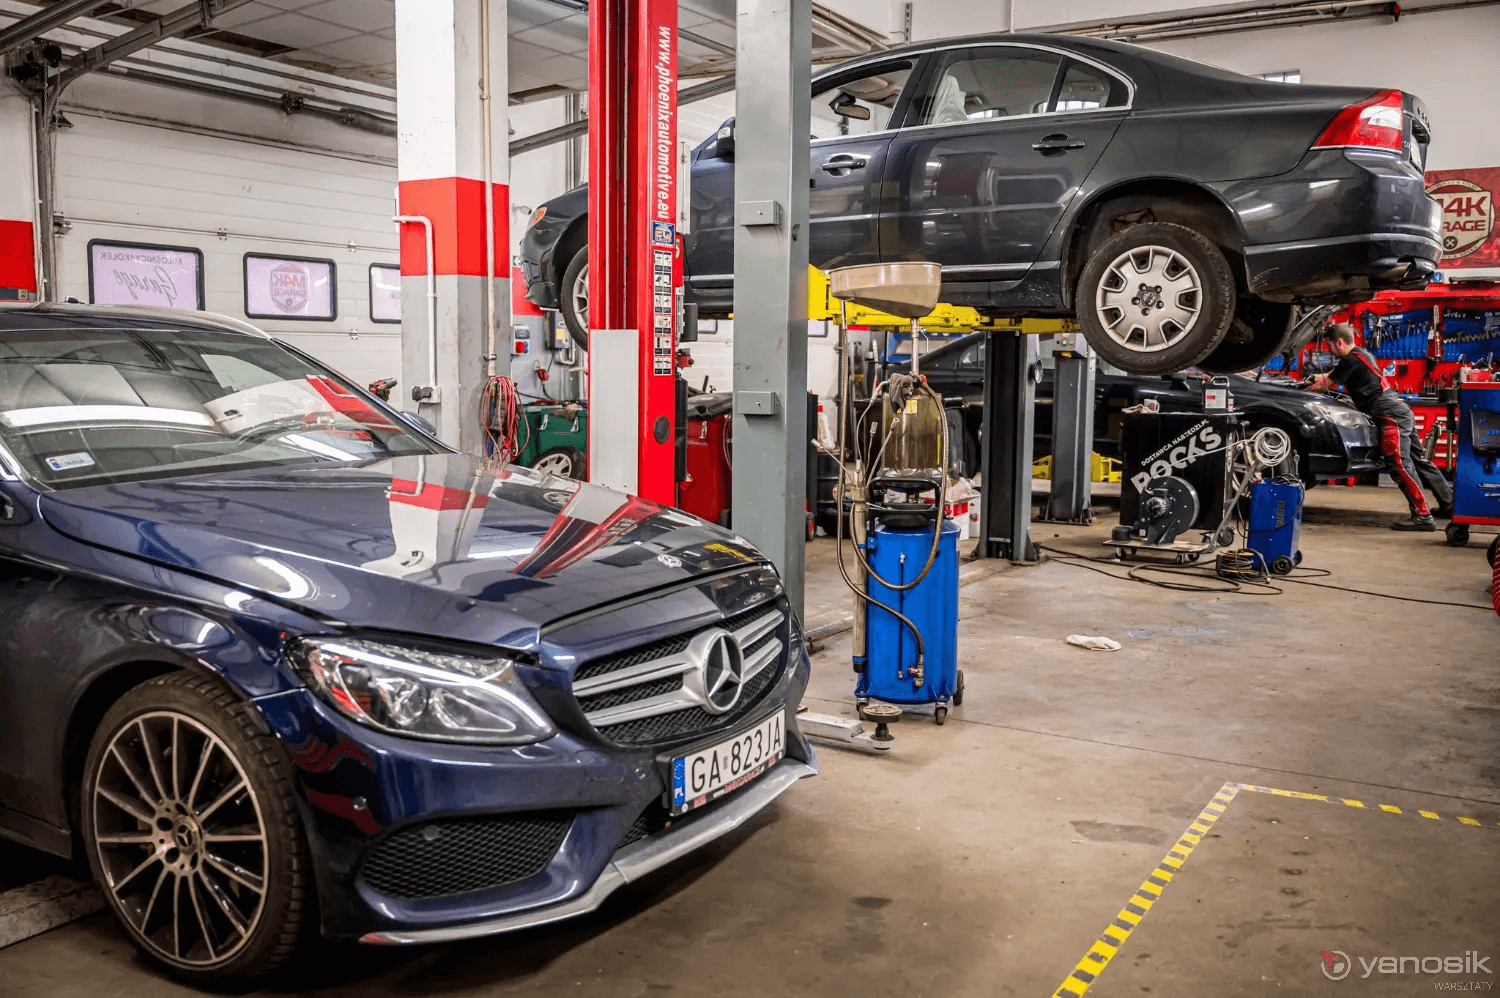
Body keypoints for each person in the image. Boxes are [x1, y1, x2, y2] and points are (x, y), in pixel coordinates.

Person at [1306, 323, 1453, 531]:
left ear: (1339, 342)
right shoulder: (1361, 354)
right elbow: (1332, 375)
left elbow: (1323, 385)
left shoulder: (1350, 360)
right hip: (1400, 410)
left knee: (1400, 465)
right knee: (1419, 461)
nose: (1329, 350)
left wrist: (1304, 389)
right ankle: (1449, 505)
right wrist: (1317, 378)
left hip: (1390, 415)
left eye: (1329, 345)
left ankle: (1422, 516)